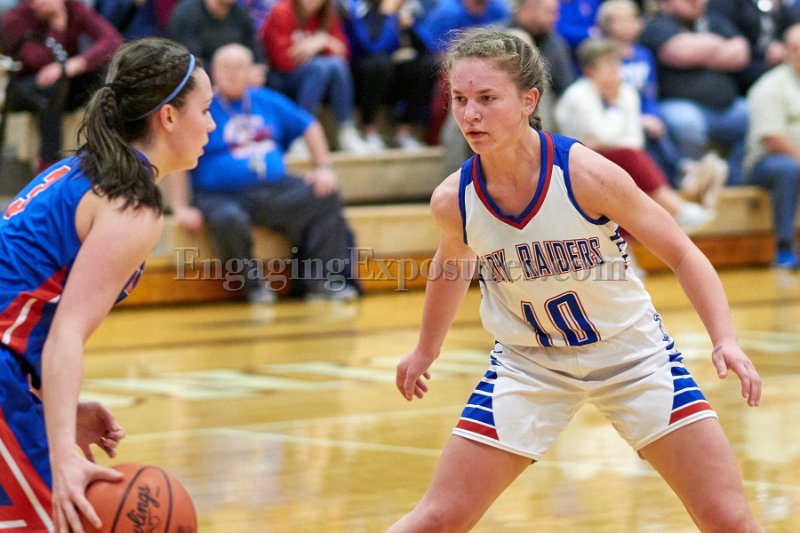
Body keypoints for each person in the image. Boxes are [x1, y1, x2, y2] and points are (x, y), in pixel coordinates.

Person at [391, 28, 761, 532]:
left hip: (631, 355)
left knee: (729, 520)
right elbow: (450, 268)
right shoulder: (454, 199)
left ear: (529, 101)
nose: (470, 114)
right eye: (459, 99)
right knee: (437, 518)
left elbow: (683, 253)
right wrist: (424, 350)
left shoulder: (586, 174)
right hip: (529, 363)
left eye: (487, 98)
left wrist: (725, 339)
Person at [0, 37, 215, 532]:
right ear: (167, 117)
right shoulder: (129, 205)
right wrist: (62, 456)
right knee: (63, 518)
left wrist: (55, 410)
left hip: (11, 371)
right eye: (205, 110)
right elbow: (64, 335)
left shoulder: (84, 168)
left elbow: (28, 309)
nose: (211, 124)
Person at [169, 43, 360, 303]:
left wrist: (323, 168)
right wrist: (180, 207)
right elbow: (179, 152)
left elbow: (310, 125)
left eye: (239, 67)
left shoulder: (266, 99)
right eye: (226, 67)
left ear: (251, 71)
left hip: (274, 188)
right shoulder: (204, 107)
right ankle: (254, 286)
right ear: (214, 72)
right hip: (220, 195)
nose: (232, 73)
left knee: (324, 194)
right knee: (228, 218)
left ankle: (322, 280)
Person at [555, 38, 716, 229]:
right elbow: (603, 136)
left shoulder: (627, 92)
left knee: (633, 156)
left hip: (614, 157)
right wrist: (614, 106)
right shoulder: (578, 95)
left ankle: (676, 204)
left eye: (616, 62)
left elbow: (634, 141)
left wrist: (605, 139)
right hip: (577, 162)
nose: (614, 69)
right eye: (606, 63)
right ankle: (678, 208)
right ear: (589, 70)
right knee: (629, 157)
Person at [2, 0, 124, 172]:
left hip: (64, 82)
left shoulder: (74, 8)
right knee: (50, 82)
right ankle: (48, 161)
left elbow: (113, 39)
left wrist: (77, 63)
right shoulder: (15, 18)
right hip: (23, 88)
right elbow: (38, 61)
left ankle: (110, 150)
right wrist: (57, 25)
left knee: (104, 72)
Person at [639, 0, 750, 186]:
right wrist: (720, 46)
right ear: (667, 3)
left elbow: (741, 53)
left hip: (725, 108)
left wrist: (698, 49)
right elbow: (678, 52)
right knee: (687, 122)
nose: (696, 2)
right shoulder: (657, 24)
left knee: (751, 114)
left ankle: (735, 179)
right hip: (677, 104)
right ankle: (690, 180)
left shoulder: (715, 21)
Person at [260, 0, 370, 154]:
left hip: (314, 77)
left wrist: (321, 43)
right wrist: (318, 45)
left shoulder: (329, 13)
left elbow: (343, 54)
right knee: (320, 67)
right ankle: (301, 132)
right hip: (280, 77)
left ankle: (346, 130)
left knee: (336, 65)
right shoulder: (282, 11)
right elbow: (282, 61)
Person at [341, 0, 437, 150]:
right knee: (379, 64)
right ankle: (369, 130)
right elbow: (373, 47)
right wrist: (387, 16)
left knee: (428, 65)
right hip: (359, 75)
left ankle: (404, 132)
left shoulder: (403, 9)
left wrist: (409, 25)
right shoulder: (355, 8)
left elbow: (429, 48)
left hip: (389, 75)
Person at [745, 23, 800, 269]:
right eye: (794, 48)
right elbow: (772, 138)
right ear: (785, 51)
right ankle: (784, 248)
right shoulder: (769, 86)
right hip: (766, 163)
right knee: (787, 169)